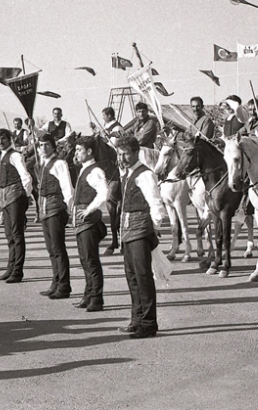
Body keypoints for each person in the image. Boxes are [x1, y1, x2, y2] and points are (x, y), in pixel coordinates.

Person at [116, 136, 166, 339]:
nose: (122, 158)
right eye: (120, 154)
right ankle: (136, 319)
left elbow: (156, 204)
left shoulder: (145, 174)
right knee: (132, 276)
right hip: (128, 230)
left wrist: (153, 229)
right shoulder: (127, 173)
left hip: (140, 229)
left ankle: (148, 323)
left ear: (136, 152)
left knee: (143, 277)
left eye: (126, 153)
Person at [72, 136, 109, 311]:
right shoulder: (84, 169)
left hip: (89, 223)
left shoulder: (95, 171)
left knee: (91, 261)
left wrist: (89, 210)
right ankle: (88, 295)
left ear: (89, 152)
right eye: (76, 150)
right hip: (81, 222)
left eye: (79, 150)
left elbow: (104, 193)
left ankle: (97, 299)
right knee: (85, 260)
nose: (76, 153)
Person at [36, 133, 73, 299]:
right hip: (44, 209)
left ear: (53, 146)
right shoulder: (43, 163)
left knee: (58, 249)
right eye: (41, 145)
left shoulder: (59, 163)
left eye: (46, 145)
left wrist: (70, 210)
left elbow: (67, 188)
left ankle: (64, 286)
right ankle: (56, 281)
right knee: (51, 249)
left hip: (56, 208)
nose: (43, 148)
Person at [0, 129, 33, 283]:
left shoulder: (15, 155)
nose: (0, 141)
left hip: (16, 196)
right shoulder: (2, 155)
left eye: (3, 138)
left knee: (17, 235)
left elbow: (25, 176)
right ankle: (10, 268)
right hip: (5, 197)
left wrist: (26, 196)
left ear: (10, 139)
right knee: (9, 235)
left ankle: (17, 271)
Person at [100, 107, 124, 255]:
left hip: (118, 159)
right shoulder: (106, 127)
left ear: (109, 116)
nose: (103, 118)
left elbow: (115, 145)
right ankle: (114, 240)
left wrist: (106, 137)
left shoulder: (118, 127)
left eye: (104, 116)